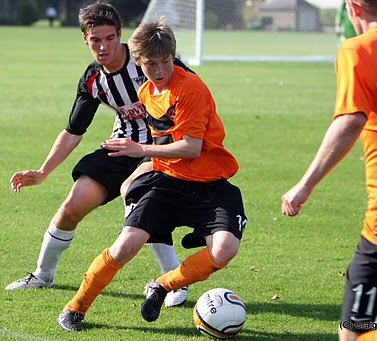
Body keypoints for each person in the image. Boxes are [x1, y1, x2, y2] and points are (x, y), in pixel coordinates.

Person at [57, 18, 247, 332]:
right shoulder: (147, 92)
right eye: (151, 64)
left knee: (225, 249)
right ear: (138, 61)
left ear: (174, 57)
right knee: (125, 246)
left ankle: (162, 285)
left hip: (210, 183)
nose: (159, 70)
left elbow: (190, 148)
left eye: (166, 62)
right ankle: (75, 308)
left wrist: (140, 153)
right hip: (169, 182)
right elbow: (163, 141)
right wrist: (140, 173)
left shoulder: (191, 88)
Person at [6, 2, 189, 308]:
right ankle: (42, 275)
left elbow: (191, 91)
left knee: (139, 197)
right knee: (71, 207)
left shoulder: (148, 58)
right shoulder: (93, 79)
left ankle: (174, 282)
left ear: (121, 36)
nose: (103, 47)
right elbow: (73, 131)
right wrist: (42, 172)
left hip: (160, 146)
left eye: (110, 38)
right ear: (85, 40)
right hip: (121, 146)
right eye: (96, 40)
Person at [282, 1, 377, 340]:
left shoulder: (358, 49)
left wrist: (304, 185)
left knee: (358, 332)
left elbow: (351, 120)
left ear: (353, 7)